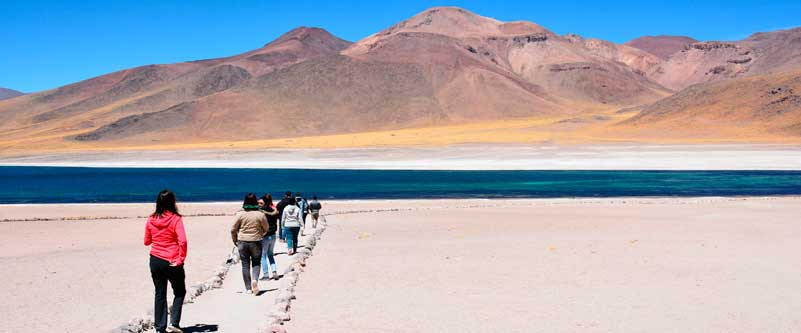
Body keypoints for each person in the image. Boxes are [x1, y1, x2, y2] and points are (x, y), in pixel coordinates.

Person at [144, 189, 187, 333]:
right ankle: (174, 323)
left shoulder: (151, 219)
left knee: (160, 293)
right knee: (180, 291)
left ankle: (159, 328)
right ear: (173, 202)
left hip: (155, 259)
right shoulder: (176, 219)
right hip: (172, 260)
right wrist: (181, 258)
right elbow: (183, 241)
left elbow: (146, 241)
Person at [231, 193, 269, 295]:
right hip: (256, 241)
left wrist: (235, 240)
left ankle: (248, 288)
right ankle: (255, 280)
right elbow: (266, 228)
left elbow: (233, 229)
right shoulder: (260, 214)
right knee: (256, 263)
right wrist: (261, 234)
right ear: (255, 202)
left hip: (242, 241)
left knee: (245, 265)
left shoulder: (240, 214)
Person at [258, 194, 280, 280]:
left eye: (260, 202)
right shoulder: (273, 210)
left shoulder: (261, 211)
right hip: (273, 235)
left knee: (263, 256)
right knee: (270, 255)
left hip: (265, 235)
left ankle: (266, 275)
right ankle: (274, 271)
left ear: (263, 202)